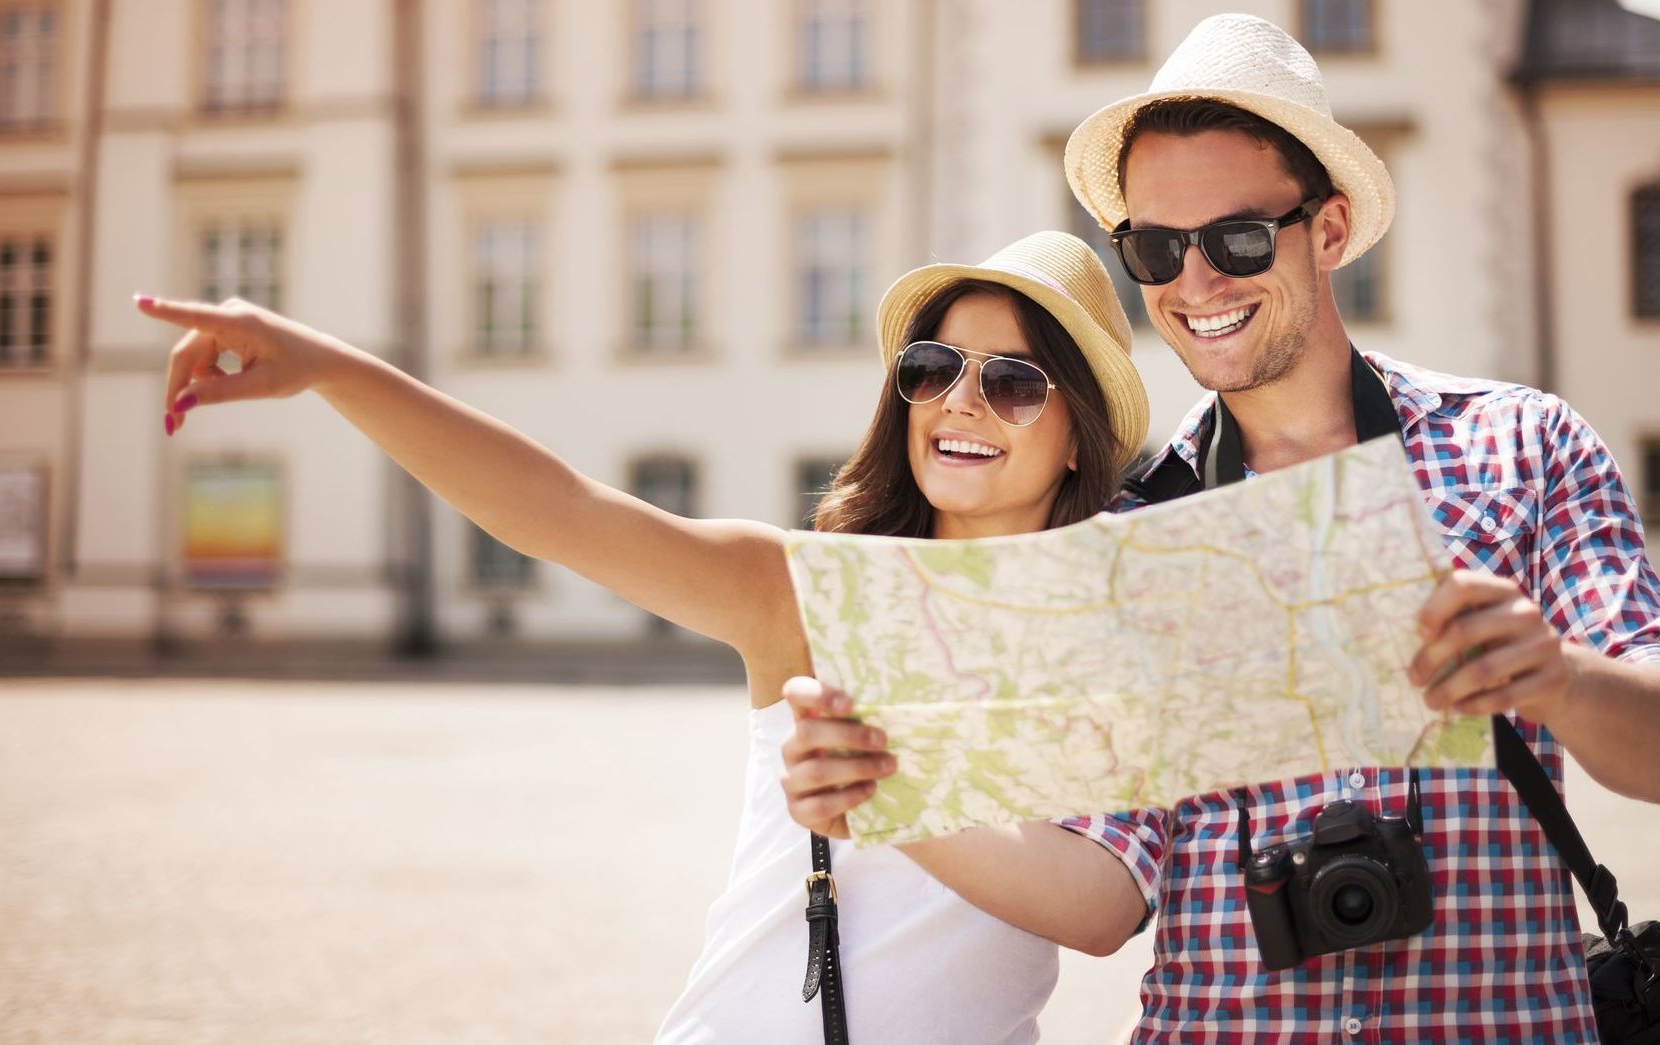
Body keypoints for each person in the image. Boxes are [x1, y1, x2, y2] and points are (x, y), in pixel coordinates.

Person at [780, 15, 1660, 1042]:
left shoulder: (1524, 445)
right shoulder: (1129, 534)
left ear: (1328, 230)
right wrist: (893, 787)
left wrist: (1554, 677)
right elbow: (1102, 896)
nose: (1195, 283)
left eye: (1235, 238)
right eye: (1153, 247)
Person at [136, 230, 1152, 1043]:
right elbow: (560, 510)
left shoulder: (1105, 638)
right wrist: (329, 367)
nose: (961, 401)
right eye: (934, 368)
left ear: (1077, 435)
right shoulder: (812, 593)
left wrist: (884, 795)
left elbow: (1101, 910)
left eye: (1014, 382)